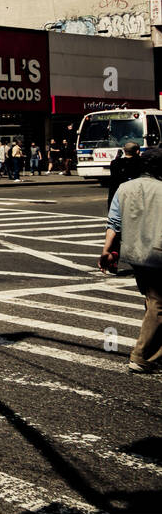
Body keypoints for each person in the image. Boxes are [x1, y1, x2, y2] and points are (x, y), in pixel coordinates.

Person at [101, 148, 162, 374]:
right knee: (157, 304)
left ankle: (153, 352)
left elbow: (113, 223)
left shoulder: (124, 189)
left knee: (152, 301)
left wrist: (107, 251)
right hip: (158, 254)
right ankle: (142, 356)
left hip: (135, 254)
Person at [107, 141, 146, 207]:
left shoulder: (115, 163)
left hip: (118, 195)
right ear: (137, 151)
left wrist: (117, 157)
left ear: (125, 151)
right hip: (136, 196)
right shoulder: (141, 162)